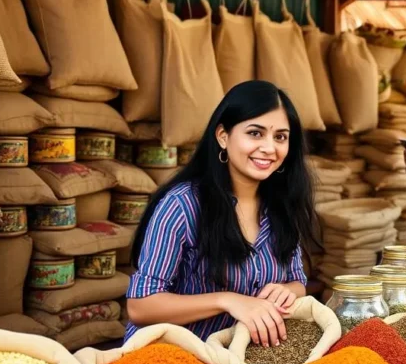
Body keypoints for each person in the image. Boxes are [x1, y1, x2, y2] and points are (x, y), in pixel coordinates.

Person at [125, 81, 317, 348]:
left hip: (239, 357)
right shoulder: (183, 205)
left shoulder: (282, 204)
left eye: (280, 137)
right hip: (176, 355)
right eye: (255, 133)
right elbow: (140, 306)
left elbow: (298, 282)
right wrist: (227, 300)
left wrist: (287, 292)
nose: (269, 148)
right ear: (223, 136)